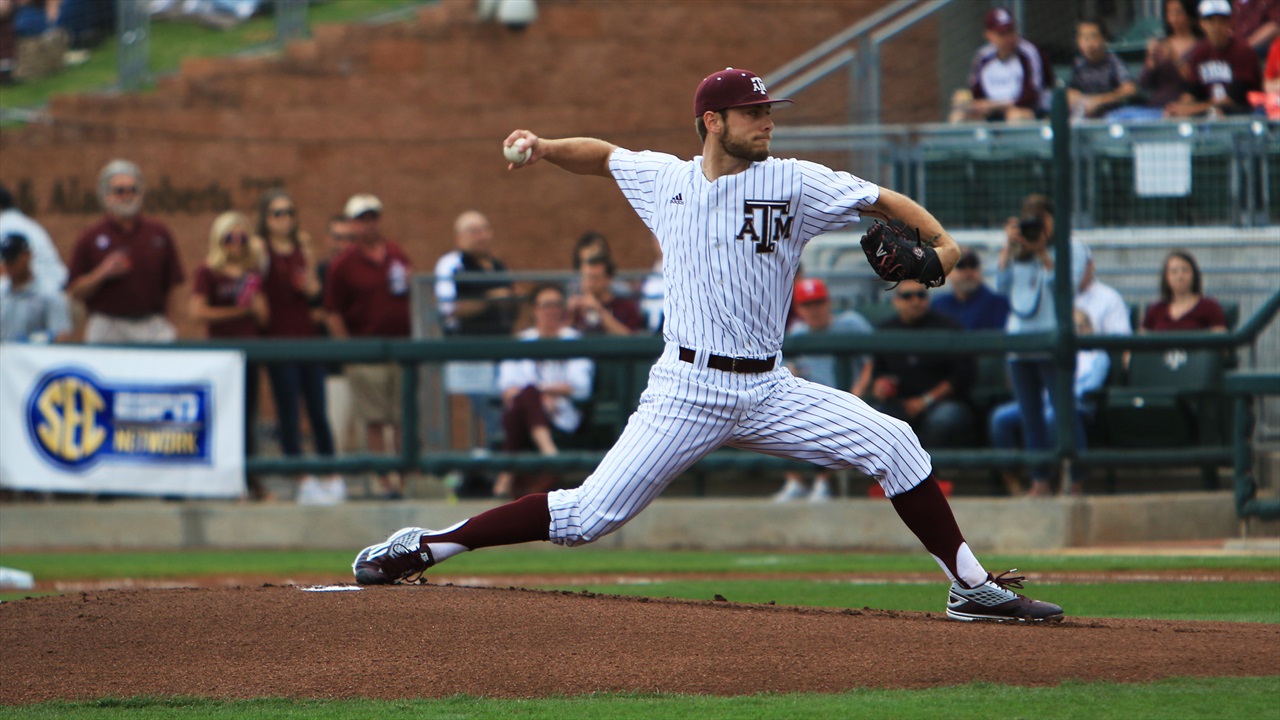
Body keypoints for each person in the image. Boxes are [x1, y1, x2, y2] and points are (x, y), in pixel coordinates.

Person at [352, 67, 1063, 623]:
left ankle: (971, 587)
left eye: (768, 111)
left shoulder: (793, 181)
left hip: (768, 388)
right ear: (712, 121)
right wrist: (542, 148)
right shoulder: (665, 180)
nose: (767, 121)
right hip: (686, 390)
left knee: (898, 444)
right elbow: (602, 156)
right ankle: (429, 544)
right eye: (754, 113)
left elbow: (881, 200)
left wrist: (943, 244)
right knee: (586, 517)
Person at [994, 194, 1090, 499]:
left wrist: (1044, 255)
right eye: (1029, 220)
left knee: (1064, 411)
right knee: (1029, 415)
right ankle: (1040, 480)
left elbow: (1065, 288)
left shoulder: (1071, 247)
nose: (1036, 227)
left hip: (1052, 342)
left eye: (1041, 220)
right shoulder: (1018, 249)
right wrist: (1010, 249)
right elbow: (1000, 287)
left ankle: (1075, 479)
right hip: (1020, 345)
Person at [256, 190, 343, 505]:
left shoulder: (302, 246)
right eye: (277, 214)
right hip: (278, 339)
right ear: (265, 219)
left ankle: (331, 474)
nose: (285, 220)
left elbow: (315, 291)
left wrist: (309, 286)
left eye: (289, 213)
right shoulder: (260, 248)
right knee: (288, 411)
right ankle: (301, 477)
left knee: (318, 409)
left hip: (307, 336)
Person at [324, 194, 412, 499]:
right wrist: (349, 350)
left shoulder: (396, 254)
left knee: (402, 417)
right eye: (361, 219)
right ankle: (383, 481)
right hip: (366, 350)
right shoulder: (343, 264)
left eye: (372, 217)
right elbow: (332, 311)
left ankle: (403, 478)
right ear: (352, 224)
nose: (368, 224)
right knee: (375, 418)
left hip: (401, 349)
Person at [188, 212, 269, 499]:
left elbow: (263, 316)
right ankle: (220, 482)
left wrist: (254, 302)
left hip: (249, 353)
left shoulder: (252, 274)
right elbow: (197, 312)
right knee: (221, 418)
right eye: (229, 237)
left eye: (242, 237)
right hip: (221, 358)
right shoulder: (208, 271)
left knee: (248, 418)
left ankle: (251, 481)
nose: (236, 243)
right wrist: (238, 311)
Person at [771, 278, 872, 503]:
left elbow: (871, 361)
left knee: (828, 420)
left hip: (849, 397)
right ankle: (796, 481)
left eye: (818, 302)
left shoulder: (851, 323)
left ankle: (822, 483)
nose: (814, 309)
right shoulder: (797, 333)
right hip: (810, 399)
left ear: (828, 302)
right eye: (808, 304)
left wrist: (859, 390)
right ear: (799, 308)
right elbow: (785, 369)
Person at [989, 310, 1109, 497]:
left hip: (1076, 403)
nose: (1073, 333)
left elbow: (1090, 387)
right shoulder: (1046, 351)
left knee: (1053, 416)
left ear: (1088, 328)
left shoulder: (1096, 355)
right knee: (1000, 418)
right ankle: (1015, 480)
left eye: (1078, 327)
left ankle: (1068, 479)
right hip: (1042, 399)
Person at [492, 284, 595, 499]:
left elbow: (581, 386)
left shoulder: (573, 339)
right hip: (527, 415)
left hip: (562, 414)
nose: (551, 310)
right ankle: (551, 457)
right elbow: (506, 388)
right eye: (545, 305)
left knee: (525, 398)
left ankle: (506, 477)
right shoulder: (522, 341)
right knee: (525, 399)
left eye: (557, 304)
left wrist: (539, 394)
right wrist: (538, 398)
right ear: (535, 310)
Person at [67, 159, 185, 344]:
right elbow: (74, 291)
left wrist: (172, 323)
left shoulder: (158, 233)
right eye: (120, 191)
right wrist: (102, 273)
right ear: (106, 196)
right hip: (107, 324)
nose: (127, 195)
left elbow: (172, 287)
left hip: (151, 323)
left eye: (133, 190)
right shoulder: (91, 236)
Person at [853, 280, 978, 450]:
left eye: (921, 295)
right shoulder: (885, 331)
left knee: (942, 419)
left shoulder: (947, 327)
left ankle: (930, 475)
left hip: (942, 403)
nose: (915, 301)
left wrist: (925, 400)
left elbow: (963, 375)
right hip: (899, 403)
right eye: (907, 296)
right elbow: (877, 374)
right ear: (895, 301)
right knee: (879, 420)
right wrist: (879, 386)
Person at [434, 210, 517, 467]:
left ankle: (500, 464)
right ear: (459, 237)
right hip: (469, 350)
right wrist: (490, 298)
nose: (480, 236)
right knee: (486, 413)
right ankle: (491, 466)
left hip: (502, 349)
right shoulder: (453, 263)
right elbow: (450, 309)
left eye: (484, 229)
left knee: (505, 409)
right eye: (473, 231)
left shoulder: (497, 265)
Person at [949, 7, 1053, 123]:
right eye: (1002, 34)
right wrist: (967, 101)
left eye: (1011, 31)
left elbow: (1031, 97)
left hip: (1028, 110)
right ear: (988, 35)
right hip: (992, 111)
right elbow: (976, 92)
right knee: (958, 116)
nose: (1008, 38)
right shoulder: (983, 57)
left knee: (1015, 117)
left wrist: (995, 105)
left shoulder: (1028, 53)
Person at [1166, 0, 1264, 117]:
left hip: (1245, 113)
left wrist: (1193, 109)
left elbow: (1235, 98)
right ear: (1201, 23)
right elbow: (1193, 90)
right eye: (1210, 21)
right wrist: (1181, 106)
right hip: (1208, 111)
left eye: (1221, 21)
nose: (1216, 27)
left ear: (1229, 22)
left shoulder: (1242, 51)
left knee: (1218, 113)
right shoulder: (1200, 52)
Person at [1111, 0, 1204, 121]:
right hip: (1155, 107)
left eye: (1178, 12)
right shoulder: (1162, 43)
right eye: (1169, 13)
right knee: (1115, 118)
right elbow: (1144, 84)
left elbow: (1195, 82)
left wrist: (1175, 59)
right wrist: (1151, 61)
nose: (1173, 18)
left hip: (1181, 109)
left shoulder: (1200, 46)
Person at [316, 214, 357, 456]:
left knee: (378, 430)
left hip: (367, 363)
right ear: (328, 240)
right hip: (332, 368)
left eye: (349, 239)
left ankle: (385, 486)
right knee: (334, 433)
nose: (343, 244)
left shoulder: (363, 271)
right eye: (338, 238)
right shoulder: (320, 272)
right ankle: (334, 483)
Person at [0, 231, 71, 343]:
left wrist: (41, 340)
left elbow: (62, 334)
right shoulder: (2, 292)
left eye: (14, 259)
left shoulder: (49, 293)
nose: (10, 265)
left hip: (36, 357)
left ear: (27, 255)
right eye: (7, 260)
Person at [0, 183, 66, 296]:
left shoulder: (6, 226)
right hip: (57, 289)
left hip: (42, 295)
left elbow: (4, 271)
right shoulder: (26, 223)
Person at [1141, 249, 1228, 332]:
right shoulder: (1155, 310)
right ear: (1166, 277)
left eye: (1185, 270)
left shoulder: (1210, 307)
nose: (1180, 276)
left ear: (1194, 275)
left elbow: (1221, 342)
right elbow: (1141, 341)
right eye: (1174, 271)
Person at [1067, 19, 1137, 119]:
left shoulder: (1113, 61)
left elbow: (1130, 90)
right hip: (1085, 114)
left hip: (1112, 115)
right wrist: (1082, 101)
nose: (1089, 44)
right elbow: (1069, 92)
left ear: (1104, 39)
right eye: (1084, 38)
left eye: (1093, 37)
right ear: (1078, 41)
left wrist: (1098, 101)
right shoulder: (1078, 64)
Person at [930, 247, 1009, 331]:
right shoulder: (938, 306)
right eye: (961, 266)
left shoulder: (997, 304)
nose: (968, 272)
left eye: (973, 266)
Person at [567, 253, 644, 335]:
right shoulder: (577, 308)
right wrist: (569, 314)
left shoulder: (626, 307)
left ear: (609, 279)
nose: (589, 283)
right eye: (586, 277)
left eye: (595, 278)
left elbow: (631, 340)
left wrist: (599, 310)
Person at [1075, 249, 1133, 337]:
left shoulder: (1110, 298)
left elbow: (1122, 343)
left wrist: (1088, 329)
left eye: (1080, 264)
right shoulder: (1053, 295)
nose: (1076, 270)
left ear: (1091, 265)